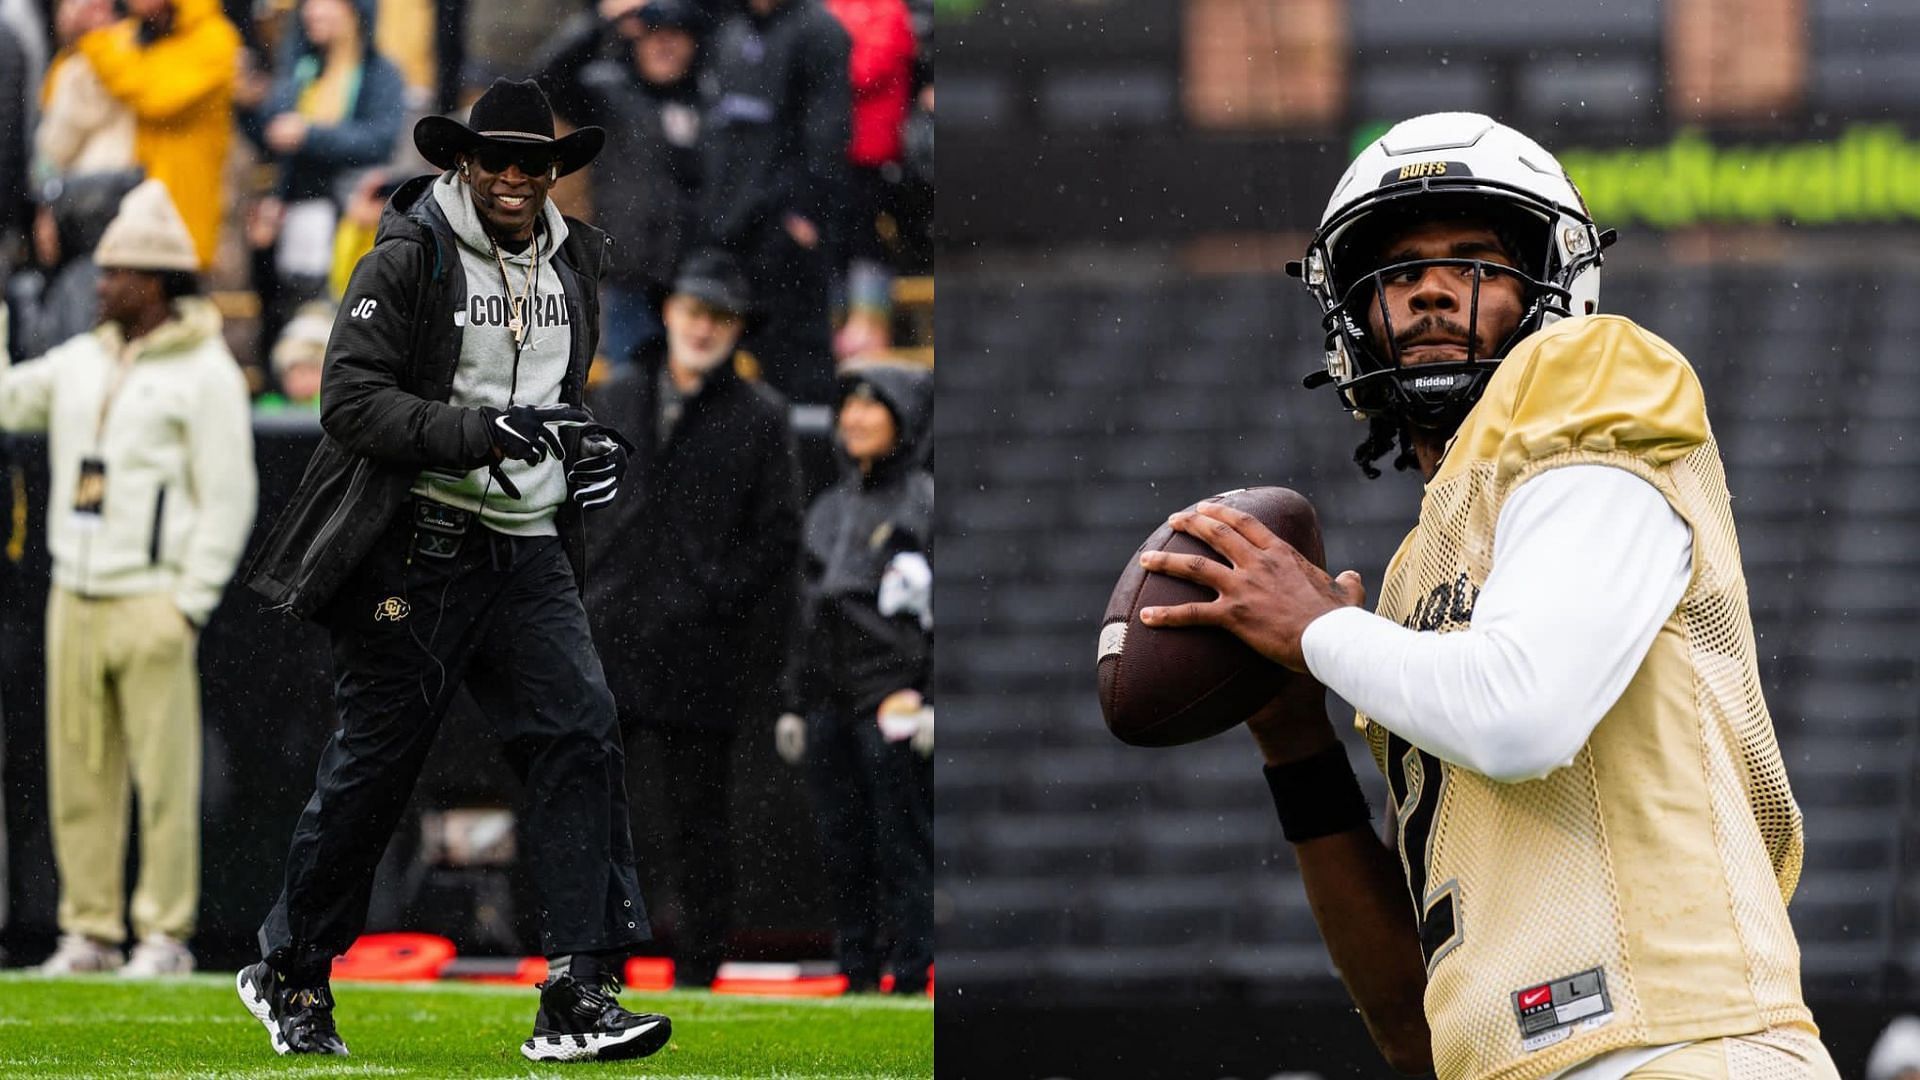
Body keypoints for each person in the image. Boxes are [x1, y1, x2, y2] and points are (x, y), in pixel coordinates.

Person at [1136, 113, 1835, 1078]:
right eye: (1394, 271)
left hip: (1681, 1046)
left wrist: (1322, 631)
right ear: (1354, 315)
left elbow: (1521, 716)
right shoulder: (1421, 581)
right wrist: (1296, 740)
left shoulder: (1591, 382)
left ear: (1551, 289)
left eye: (1474, 261)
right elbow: (1410, 1026)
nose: (1427, 288)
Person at [235, 78, 669, 1064]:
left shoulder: (578, 263)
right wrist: (479, 434)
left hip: (524, 545)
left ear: (556, 174)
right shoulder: (411, 251)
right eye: (498, 160)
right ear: (461, 163)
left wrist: (578, 456)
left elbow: (551, 401)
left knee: (583, 735)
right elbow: (350, 402)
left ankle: (579, 991)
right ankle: (293, 968)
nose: (517, 177)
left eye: (536, 163)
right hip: (416, 545)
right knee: (373, 777)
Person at [0, 178, 255, 978]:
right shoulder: (80, 360)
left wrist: (188, 602)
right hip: (73, 593)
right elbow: (6, 401)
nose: (98, 284)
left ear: (153, 283)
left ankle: (164, 937)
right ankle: (90, 931)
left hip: (151, 598)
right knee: (80, 774)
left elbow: (230, 495)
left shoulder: (206, 372)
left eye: (114, 273)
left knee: (163, 779)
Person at [584, 248, 801, 988]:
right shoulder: (616, 397)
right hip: (610, 636)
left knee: (697, 820)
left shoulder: (761, 418)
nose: (703, 327)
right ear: (670, 311)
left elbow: (778, 538)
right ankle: (592, 959)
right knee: (598, 811)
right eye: (693, 310)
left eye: (719, 316)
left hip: (699, 650)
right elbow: (575, 507)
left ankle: (699, 967)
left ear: (738, 329)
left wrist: (713, 593)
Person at [778, 359, 931, 994]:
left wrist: (928, 699)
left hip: (891, 697)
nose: (856, 418)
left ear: (904, 419)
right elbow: (804, 612)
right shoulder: (828, 507)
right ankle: (858, 971)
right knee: (841, 845)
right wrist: (793, 701)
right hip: (828, 698)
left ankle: (912, 965)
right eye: (851, 406)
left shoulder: (925, 502)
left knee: (901, 842)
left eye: (874, 405)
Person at [240, 0, 407, 378]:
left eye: (325, 4)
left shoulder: (380, 73)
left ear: (354, 14)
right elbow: (271, 133)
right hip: (293, 212)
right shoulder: (302, 69)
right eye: (310, 6)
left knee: (339, 318)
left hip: (349, 219)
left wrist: (310, 135)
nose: (313, 12)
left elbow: (380, 140)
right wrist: (248, 107)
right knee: (286, 314)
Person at [535, 0, 706, 368]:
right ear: (635, 42)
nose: (664, 47)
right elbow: (546, 78)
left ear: (694, 44)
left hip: (696, 282)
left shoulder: (713, 102)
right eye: (653, 36)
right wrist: (603, 19)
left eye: (675, 37)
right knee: (628, 389)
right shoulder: (608, 94)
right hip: (629, 275)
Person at [697, 0, 850, 405]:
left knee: (798, 364)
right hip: (726, 228)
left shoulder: (819, 30)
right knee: (715, 366)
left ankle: (804, 461)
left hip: (784, 229)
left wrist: (804, 212)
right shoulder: (726, 28)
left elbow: (828, 131)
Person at [71, 0, 240, 269]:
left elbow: (155, 95)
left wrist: (97, 43)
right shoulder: (130, 33)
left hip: (182, 222)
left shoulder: (214, 38)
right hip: (128, 209)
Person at [821, 0, 913, 362]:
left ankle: (869, 326)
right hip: (828, 149)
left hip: (869, 149)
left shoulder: (887, 9)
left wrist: (820, 66)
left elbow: (868, 69)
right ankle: (837, 323)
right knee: (833, 238)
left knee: (865, 237)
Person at [6, 169, 143, 362]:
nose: (41, 233)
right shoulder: (50, 279)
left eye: (49, 219)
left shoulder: (82, 281)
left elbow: (61, 357)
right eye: (38, 219)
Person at [33, 0, 134, 181]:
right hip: (127, 177)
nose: (64, 14)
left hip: (90, 184)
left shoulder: (80, 68)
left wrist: (41, 178)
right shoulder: (133, 44)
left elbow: (57, 145)